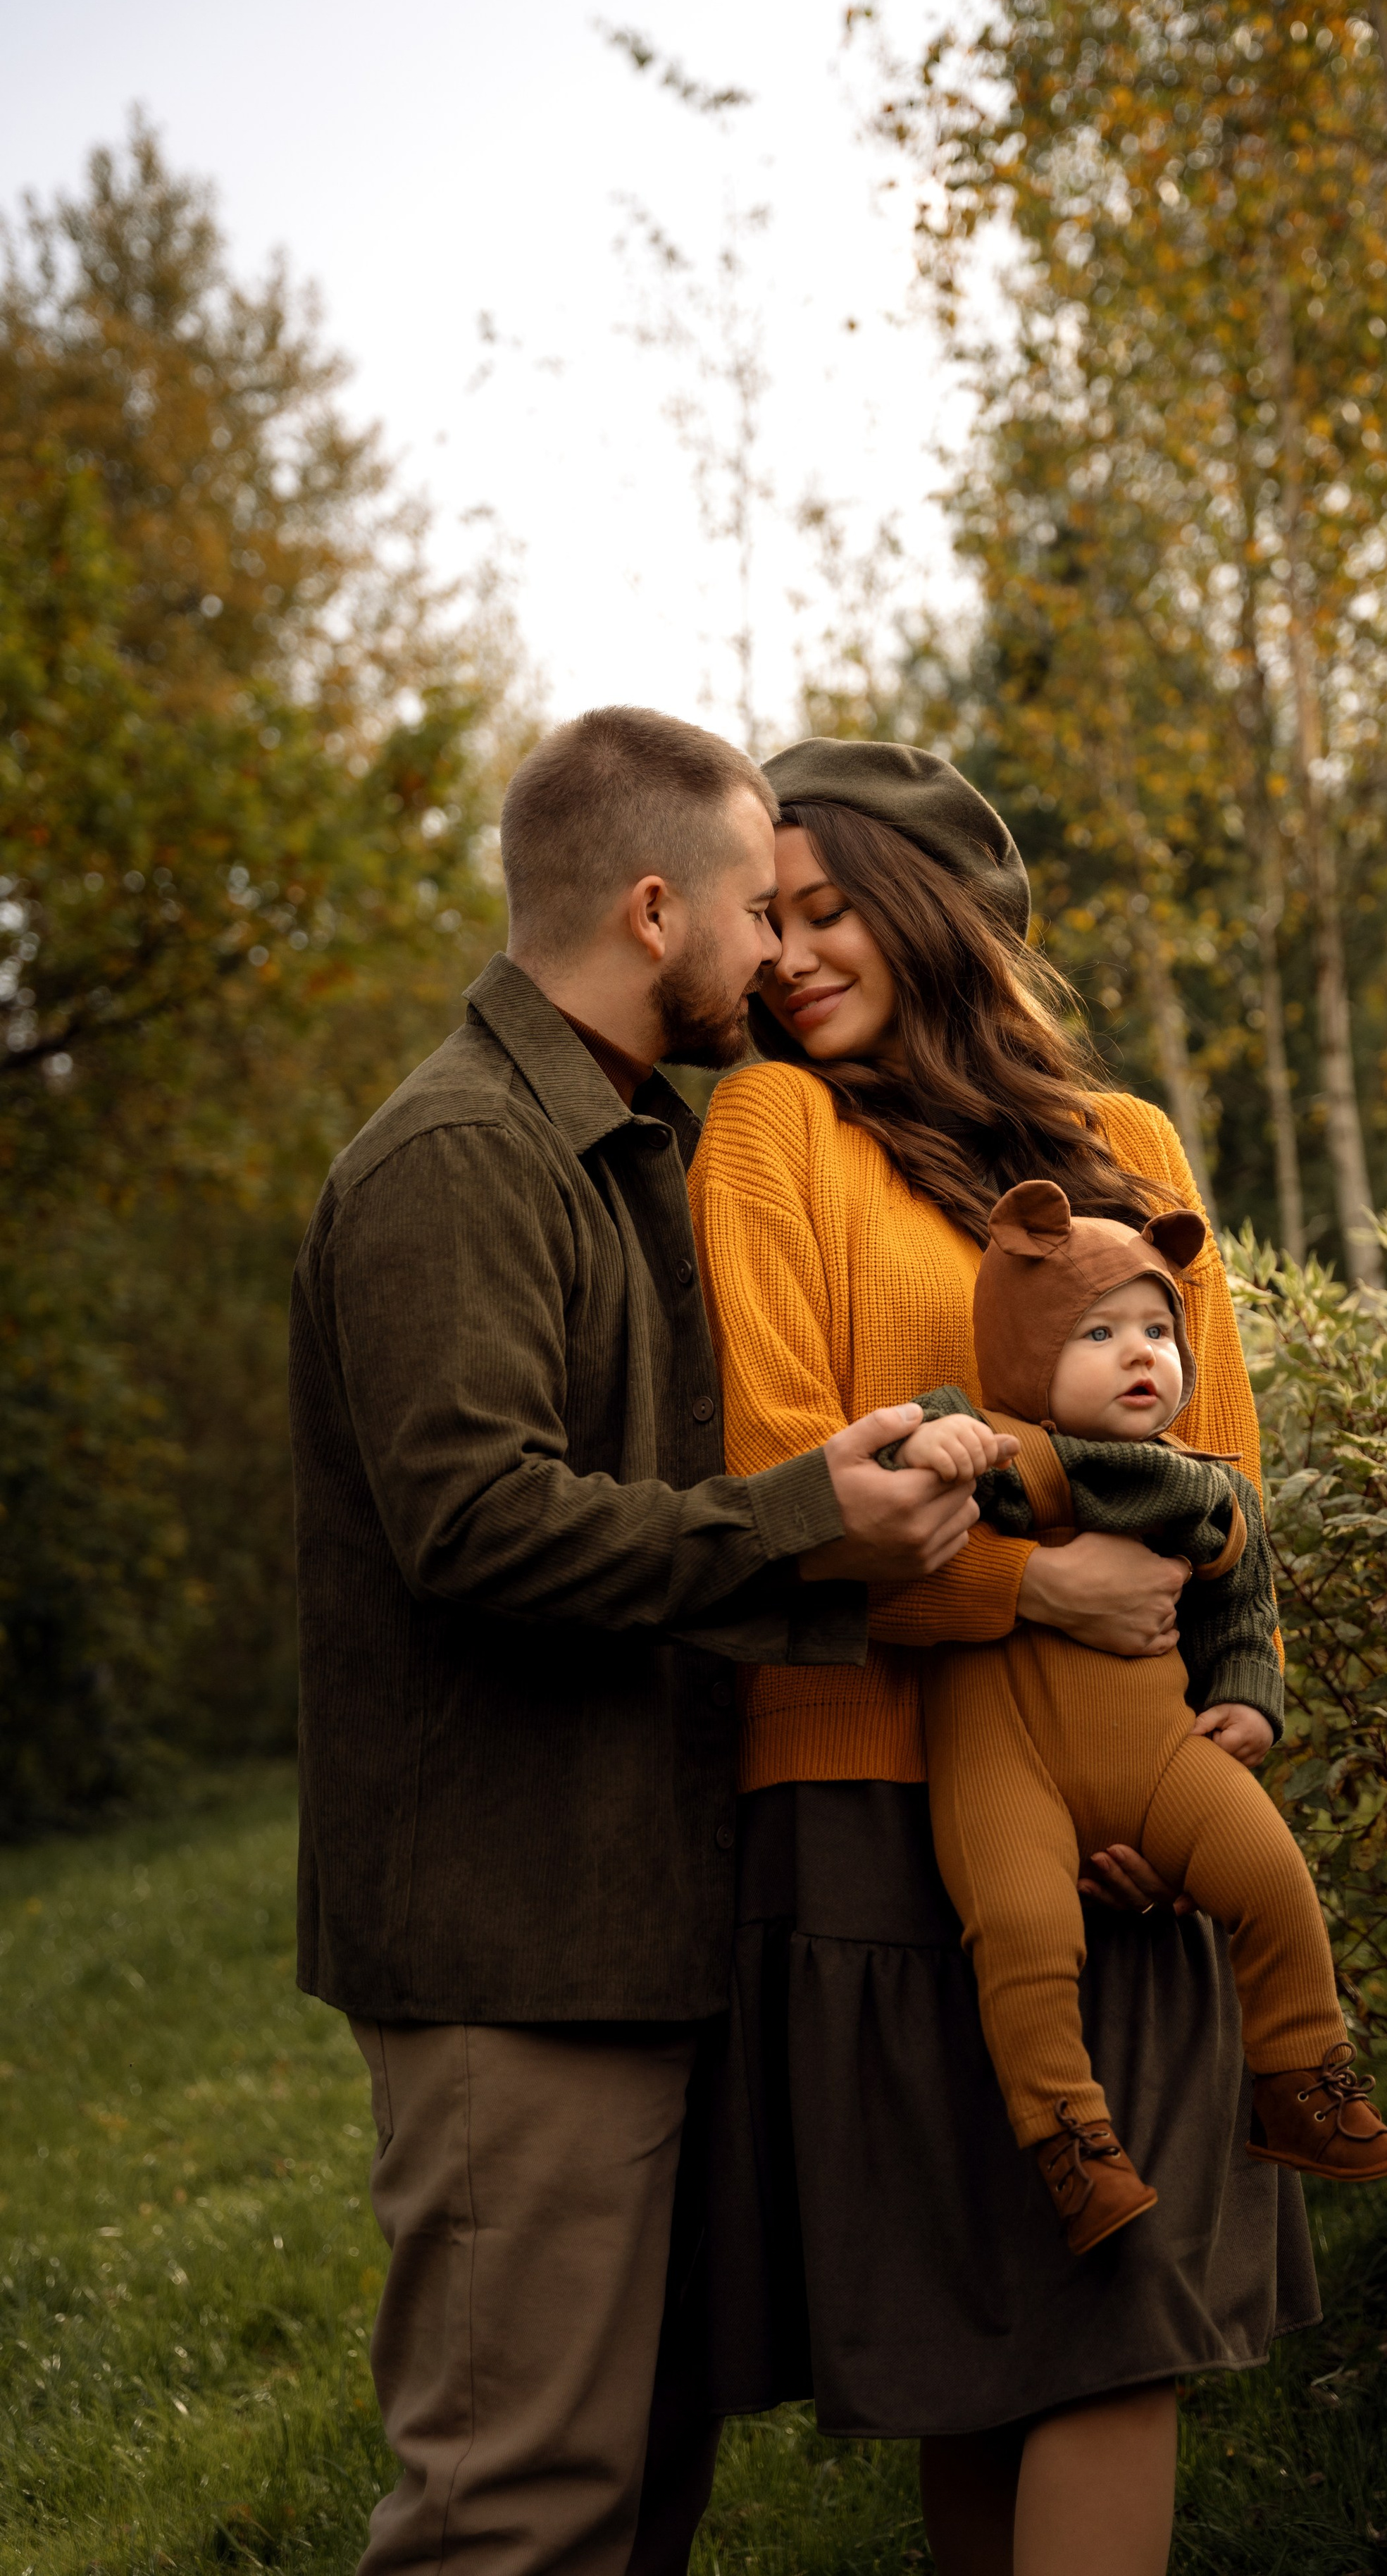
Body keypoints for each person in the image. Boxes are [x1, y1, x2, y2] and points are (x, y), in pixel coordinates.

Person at [288, 707, 1009, 2576]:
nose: (785, 954)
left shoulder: (618, 1149)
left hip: (638, 1927)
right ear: (648, 909)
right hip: (511, 1948)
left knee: (634, 2497)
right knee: (513, 2511)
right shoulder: (457, 1159)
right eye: (757, 909)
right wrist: (808, 1525)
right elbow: (472, 1524)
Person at [687, 737, 1321, 2576]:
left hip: (1133, 1805)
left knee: (1118, 2336)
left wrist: (1197, 1751)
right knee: (968, 2348)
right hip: (871, 1803)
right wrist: (1022, 1600)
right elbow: (778, 1465)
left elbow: (1224, 1487)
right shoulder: (772, 1128)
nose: (790, 955)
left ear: (931, 912)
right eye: (767, 920)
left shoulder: (1132, 1153)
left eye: (827, 910)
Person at [885, 1179, 1387, 2256]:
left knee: (1272, 1880)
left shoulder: (1206, 1490)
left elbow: (1242, 1608)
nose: (1142, 1355)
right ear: (1028, 1345)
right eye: (1098, 1332)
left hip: (1161, 1756)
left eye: (1157, 1332)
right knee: (1025, 1937)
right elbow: (895, 1488)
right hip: (1004, 1766)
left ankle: (1302, 2079)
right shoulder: (989, 1444)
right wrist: (931, 1450)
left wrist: (1249, 1704)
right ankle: (1069, 2140)